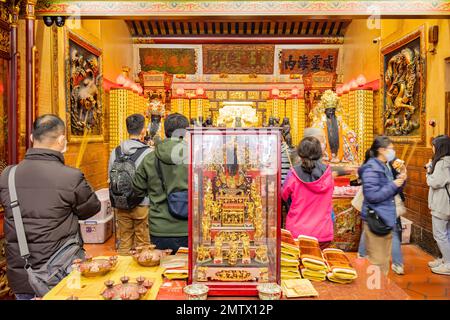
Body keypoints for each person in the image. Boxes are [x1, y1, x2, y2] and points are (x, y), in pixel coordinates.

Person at [0, 114, 101, 300]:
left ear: (31, 138)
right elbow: (91, 208)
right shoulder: (70, 177)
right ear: (62, 140)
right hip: (62, 271)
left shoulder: (8, 175)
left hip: (23, 275)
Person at [133, 113, 189, 253]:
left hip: (159, 226)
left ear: (165, 131)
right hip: (188, 226)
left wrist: (154, 192)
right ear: (186, 132)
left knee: (161, 271)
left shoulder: (150, 158)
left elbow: (137, 188)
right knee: (187, 271)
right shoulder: (196, 157)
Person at [358, 136, 406, 275]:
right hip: (376, 218)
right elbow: (372, 196)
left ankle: (378, 291)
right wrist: (392, 185)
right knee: (377, 263)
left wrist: (401, 180)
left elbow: (392, 190)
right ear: (381, 150)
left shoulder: (385, 166)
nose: (393, 152)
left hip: (386, 217)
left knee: (382, 261)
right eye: (391, 149)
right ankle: (375, 293)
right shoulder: (371, 169)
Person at [108, 114, 152, 255]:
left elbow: (110, 176)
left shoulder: (115, 151)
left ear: (127, 129)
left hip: (121, 203)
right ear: (143, 130)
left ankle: (123, 274)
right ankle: (142, 276)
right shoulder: (148, 152)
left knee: (125, 241)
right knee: (143, 242)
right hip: (142, 202)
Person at [281, 136, 334, 248]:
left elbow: (283, 195)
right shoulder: (328, 173)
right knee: (318, 264)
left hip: (298, 231)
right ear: (320, 152)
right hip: (322, 231)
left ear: (300, 153)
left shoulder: (294, 173)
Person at [425, 135, 450, 275]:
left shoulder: (442, 163)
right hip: (447, 204)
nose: (433, 148)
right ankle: (444, 258)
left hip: (442, 204)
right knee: (447, 234)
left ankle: (448, 264)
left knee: (440, 235)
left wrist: (428, 173)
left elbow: (435, 182)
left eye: (434, 145)